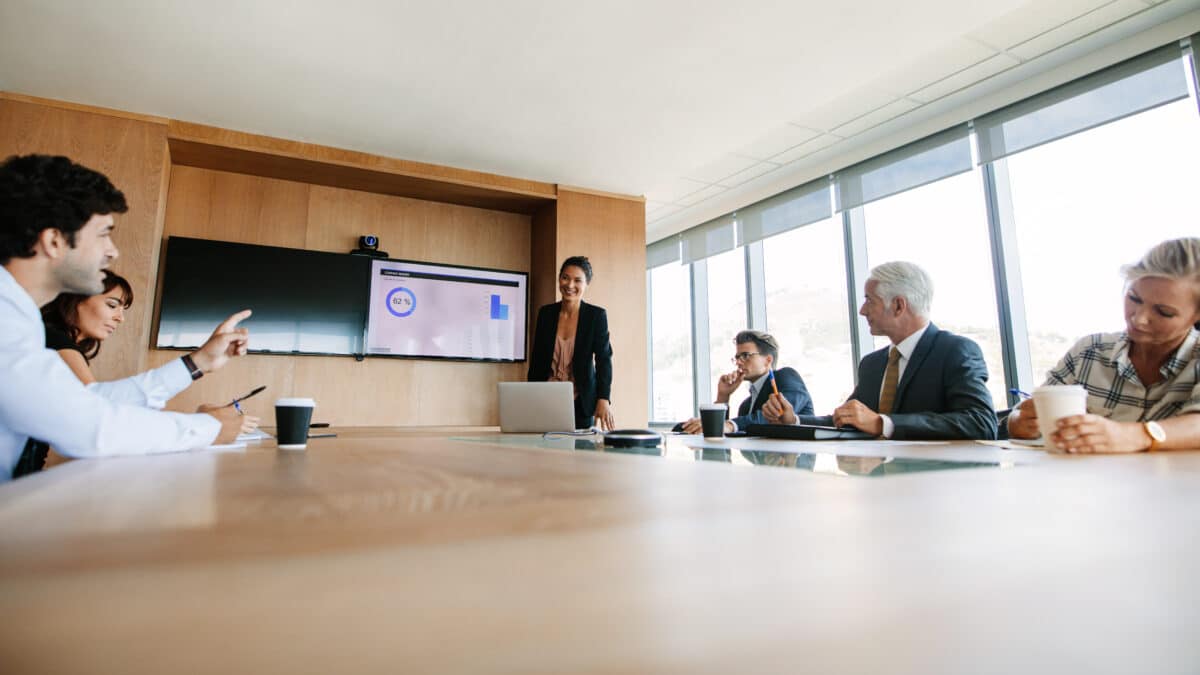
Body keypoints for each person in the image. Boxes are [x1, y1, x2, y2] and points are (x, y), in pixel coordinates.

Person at [0, 153, 250, 483]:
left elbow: (86, 402)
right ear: (54, 241)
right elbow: (92, 427)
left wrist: (199, 361)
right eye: (103, 234)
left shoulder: (18, 315)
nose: (112, 251)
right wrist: (211, 428)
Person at [15, 270, 262, 475]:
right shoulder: (54, 341)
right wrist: (207, 425)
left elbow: (96, 410)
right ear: (72, 300)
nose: (120, 318)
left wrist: (199, 364)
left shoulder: (51, 340)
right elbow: (97, 411)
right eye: (112, 305)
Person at [763, 261, 997, 440]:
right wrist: (794, 420)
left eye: (869, 300)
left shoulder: (955, 350)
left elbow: (982, 423)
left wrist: (883, 424)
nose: (862, 311)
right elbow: (846, 419)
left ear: (898, 305)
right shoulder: (872, 364)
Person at [1007, 238, 1200, 453]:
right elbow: (1023, 414)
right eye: (1134, 299)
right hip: (1091, 484)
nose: (1139, 319)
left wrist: (1136, 436)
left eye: (1164, 312)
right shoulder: (1090, 352)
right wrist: (1021, 423)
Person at [528, 256, 615, 431]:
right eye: (565, 277)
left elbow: (604, 359)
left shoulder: (595, 316)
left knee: (579, 455)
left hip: (581, 401)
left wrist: (603, 399)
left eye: (577, 280)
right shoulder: (546, 314)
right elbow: (537, 360)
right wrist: (530, 395)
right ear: (559, 278)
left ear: (586, 284)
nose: (570, 285)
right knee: (544, 453)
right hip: (546, 398)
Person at [679, 330, 813, 434]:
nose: (738, 362)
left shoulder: (786, 375)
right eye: (737, 357)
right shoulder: (745, 406)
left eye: (745, 356)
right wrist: (723, 396)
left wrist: (731, 425)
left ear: (768, 361)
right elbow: (722, 433)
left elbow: (779, 413)